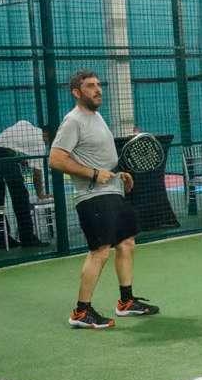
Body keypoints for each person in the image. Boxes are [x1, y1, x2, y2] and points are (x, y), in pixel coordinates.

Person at [48, 70, 159, 329]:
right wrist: (94, 174)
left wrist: (119, 174)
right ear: (77, 92)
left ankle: (126, 301)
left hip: (112, 191)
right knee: (99, 251)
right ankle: (81, 312)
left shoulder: (96, 117)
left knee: (127, 243)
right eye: (90, 86)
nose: (98, 89)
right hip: (93, 197)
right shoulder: (73, 121)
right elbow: (56, 159)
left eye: (98, 85)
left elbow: (98, 157)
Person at [0, 120, 51, 249]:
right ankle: (27, 238)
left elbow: (10, 144)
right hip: (5, 157)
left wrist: (18, 159)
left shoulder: (25, 124)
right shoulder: (40, 143)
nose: (49, 144)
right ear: (47, 134)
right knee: (21, 198)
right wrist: (40, 194)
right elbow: (37, 174)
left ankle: (4, 240)